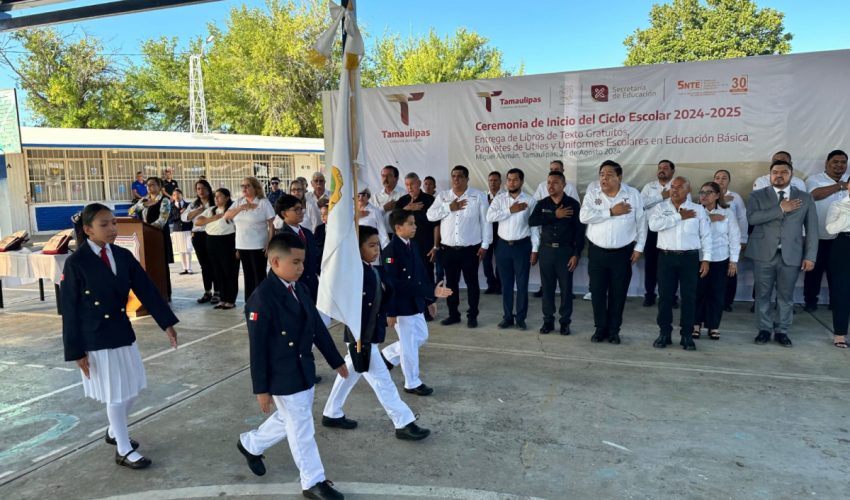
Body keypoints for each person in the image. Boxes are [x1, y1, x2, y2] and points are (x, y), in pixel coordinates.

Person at [62, 203, 179, 470]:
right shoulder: (76, 262)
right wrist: (76, 351)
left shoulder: (122, 255)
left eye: (113, 223)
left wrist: (167, 324)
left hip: (122, 331)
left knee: (134, 386)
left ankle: (115, 431)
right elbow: (69, 310)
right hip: (95, 336)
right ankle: (123, 449)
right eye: (104, 224)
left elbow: (147, 289)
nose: (112, 229)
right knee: (116, 393)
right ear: (88, 229)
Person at [236, 233, 347, 500]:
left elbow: (317, 327)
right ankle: (312, 481)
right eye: (296, 262)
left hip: (303, 369)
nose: (301, 268)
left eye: (303, 262)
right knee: (301, 427)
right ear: (275, 262)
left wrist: (336, 360)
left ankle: (250, 444)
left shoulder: (300, 288)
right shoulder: (262, 299)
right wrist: (261, 389)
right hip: (281, 374)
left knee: (291, 419)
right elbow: (258, 348)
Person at [321, 225, 432, 441]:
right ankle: (404, 422)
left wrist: (429, 292)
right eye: (371, 245)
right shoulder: (354, 275)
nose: (377, 250)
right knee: (383, 382)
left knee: (350, 372)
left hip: (369, 335)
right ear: (357, 248)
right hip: (361, 338)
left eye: (378, 245)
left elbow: (398, 287)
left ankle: (332, 412)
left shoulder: (373, 270)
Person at [746, 159, 818, 348]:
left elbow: (812, 230)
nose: (779, 175)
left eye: (784, 172)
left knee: (785, 295)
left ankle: (782, 331)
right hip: (763, 253)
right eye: (775, 172)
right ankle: (763, 329)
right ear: (769, 175)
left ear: (791, 175)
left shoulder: (805, 197)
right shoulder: (757, 196)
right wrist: (780, 209)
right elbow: (753, 219)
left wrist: (810, 256)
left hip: (791, 254)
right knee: (763, 294)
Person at [579, 160, 646, 344]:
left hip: (623, 253)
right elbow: (583, 217)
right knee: (598, 292)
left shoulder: (632, 194)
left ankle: (614, 330)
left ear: (619, 177)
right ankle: (600, 329)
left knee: (618, 293)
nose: (604, 178)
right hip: (597, 252)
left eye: (609, 174)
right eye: (601, 174)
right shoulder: (593, 194)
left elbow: (641, 222)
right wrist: (610, 212)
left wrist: (639, 247)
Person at [648, 177, 712, 350]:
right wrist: (678, 217)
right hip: (666, 258)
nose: (674, 190)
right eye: (672, 187)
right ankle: (664, 333)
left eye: (679, 187)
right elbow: (653, 225)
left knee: (689, 298)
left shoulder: (698, 209)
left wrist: (706, 259)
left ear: (688, 190)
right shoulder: (660, 207)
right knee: (665, 297)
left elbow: (706, 236)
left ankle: (686, 335)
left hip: (689, 258)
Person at [427, 165, 492, 328]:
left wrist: (485, 245)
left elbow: (486, 222)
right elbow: (430, 215)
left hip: (470, 250)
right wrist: (449, 207)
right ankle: (453, 314)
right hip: (448, 249)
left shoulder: (478, 196)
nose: (456, 179)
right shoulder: (443, 196)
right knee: (451, 284)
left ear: (467, 179)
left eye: (460, 176)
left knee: (472, 283)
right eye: (454, 176)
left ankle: (472, 316)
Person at [382, 212, 437, 396]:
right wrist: (390, 311)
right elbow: (390, 284)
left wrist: (429, 299)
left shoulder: (412, 244)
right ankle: (412, 382)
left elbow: (421, 273)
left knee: (421, 336)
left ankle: (388, 355)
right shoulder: (390, 251)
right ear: (398, 227)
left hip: (416, 301)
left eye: (414, 223)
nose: (415, 227)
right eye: (411, 224)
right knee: (409, 344)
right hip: (401, 306)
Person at [529, 170, 585, 335]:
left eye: (555, 182)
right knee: (547, 288)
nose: (550, 186)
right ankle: (548, 321)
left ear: (563, 185)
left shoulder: (573, 205)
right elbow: (532, 221)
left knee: (566, 289)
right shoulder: (542, 203)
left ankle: (565, 322)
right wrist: (554, 215)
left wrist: (576, 254)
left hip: (565, 252)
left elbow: (579, 232)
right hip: (546, 251)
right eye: (548, 183)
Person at [486, 168, 539, 330]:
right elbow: (489, 217)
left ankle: (521, 318)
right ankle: (507, 317)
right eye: (509, 179)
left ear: (521, 181)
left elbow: (535, 228)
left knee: (522, 285)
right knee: (506, 285)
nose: (511, 183)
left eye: (515, 180)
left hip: (522, 246)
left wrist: (535, 249)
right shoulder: (500, 199)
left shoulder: (530, 201)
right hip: (503, 246)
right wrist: (510, 210)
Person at [693, 181, 741, 341]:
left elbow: (734, 237)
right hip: (699, 258)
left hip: (720, 258)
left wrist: (733, 261)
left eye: (708, 192)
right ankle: (695, 324)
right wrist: (709, 218)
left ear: (717, 195)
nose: (704, 196)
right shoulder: (694, 211)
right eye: (702, 192)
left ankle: (713, 325)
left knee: (717, 294)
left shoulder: (727, 213)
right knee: (698, 292)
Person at [803, 150, 849, 311]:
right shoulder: (814, 179)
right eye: (835, 162)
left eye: (843, 162)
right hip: (818, 236)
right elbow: (813, 195)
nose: (839, 165)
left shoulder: (848, 179)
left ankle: (836, 303)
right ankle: (810, 302)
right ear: (826, 163)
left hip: (842, 238)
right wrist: (841, 186)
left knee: (838, 273)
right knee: (813, 272)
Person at [532, 160, 579, 298]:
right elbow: (535, 212)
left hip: (565, 237)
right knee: (547, 278)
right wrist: (552, 214)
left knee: (565, 275)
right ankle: (544, 291)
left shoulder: (570, 188)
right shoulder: (542, 186)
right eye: (552, 168)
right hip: (546, 234)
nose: (554, 171)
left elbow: (576, 212)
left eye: (557, 169)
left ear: (563, 170)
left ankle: (566, 299)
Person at [224, 176, 275, 302]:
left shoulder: (263, 202)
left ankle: (262, 302)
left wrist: (269, 244)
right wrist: (242, 207)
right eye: (242, 186)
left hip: (258, 245)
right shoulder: (239, 202)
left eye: (247, 186)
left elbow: (271, 225)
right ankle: (250, 302)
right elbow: (227, 216)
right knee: (248, 276)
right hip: (242, 245)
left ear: (255, 188)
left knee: (259, 275)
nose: (244, 188)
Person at [129, 177, 173, 300]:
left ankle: (165, 294)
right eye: (148, 185)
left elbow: (162, 220)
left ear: (160, 187)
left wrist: (146, 229)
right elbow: (131, 212)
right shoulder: (144, 200)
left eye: (153, 185)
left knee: (160, 265)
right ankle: (150, 294)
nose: (149, 187)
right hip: (145, 237)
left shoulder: (164, 201)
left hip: (158, 236)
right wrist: (143, 204)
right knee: (146, 265)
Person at [396, 172, 438, 301]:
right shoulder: (402, 201)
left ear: (419, 183)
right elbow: (394, 221)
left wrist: (436, 246)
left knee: (427, 274)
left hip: (425, 245)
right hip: (406, 247)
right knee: (408, 274)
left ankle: (430, 303)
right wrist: (407, 209)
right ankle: (413, 302)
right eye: (407, 185)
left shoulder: (430, 200)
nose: (409, 187)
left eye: (412, 184)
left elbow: (437, 225)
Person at [640, 160, 676, 308]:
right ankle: (650, 295)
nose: (662, 170)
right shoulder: (649, 186)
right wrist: (662, 196)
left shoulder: (677, 185)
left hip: (670, 231)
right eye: (660, 168)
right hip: (652, 231)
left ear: (673, 171)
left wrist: (668, 195)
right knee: (651, 265)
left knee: (670, 266)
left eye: (666, 168)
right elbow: (641, 203)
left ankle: (671, 297)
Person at [195, 188, 239, 310]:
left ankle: (230, 299)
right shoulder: (211, 210)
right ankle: (222, 298)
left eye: (219, 196)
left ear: (227, 197)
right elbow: (198, 222)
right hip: (212, 241)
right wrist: (213, 218)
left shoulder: (232, 211)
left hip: (228, 241)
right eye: (215, 196)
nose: (216, 198)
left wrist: (238, 248)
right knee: (217, 271)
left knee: (229, 271)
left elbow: (238, 228)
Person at [713, 169, 748, 311]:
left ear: (729, 181)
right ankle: (713, 300)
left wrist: (743, 238)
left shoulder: (735, 197)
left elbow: (742, 218)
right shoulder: (707, 195)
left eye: (724, 178)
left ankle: (727, 302)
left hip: (731, 240)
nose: (720, 181)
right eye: (717, 178)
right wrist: (719, 201)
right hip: (713, 241)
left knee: (730, 271)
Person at [275, 194, 320, 302]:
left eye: (301, 208)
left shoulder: (307, 233)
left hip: (312, 285)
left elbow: (315, 256)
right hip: (295, 286)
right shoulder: (282, 237)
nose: (301, 212)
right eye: (296, 209)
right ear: (284, 213)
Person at [182, 180, 219, 304]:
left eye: (203, 188)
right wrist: (197, 211)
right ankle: (207, 291)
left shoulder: (215, 202)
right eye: (198, 189)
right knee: (204, 265)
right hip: (198, 235)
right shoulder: (193, 204)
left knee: (214, 263)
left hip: (212, 234)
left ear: (208, 189)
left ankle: (217, 292)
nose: (201, 191)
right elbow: (185, 218)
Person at [825, 183, 850, 348]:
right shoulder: (838, 204)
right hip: (844, 244)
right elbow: (830, 229)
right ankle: (840, 333)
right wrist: (848, 213)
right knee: (842, 291)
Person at [483, 171, 503, 295]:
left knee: (500, 262)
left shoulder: (505, 197)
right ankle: (491, 284)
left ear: (500, 182)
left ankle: (499, 285)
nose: (493, 183)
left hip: (501, 234)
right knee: (486, 262)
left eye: (495, 180)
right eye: (490, 180)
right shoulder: (483, 197)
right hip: (486, 234)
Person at [374, 165, 407, 231]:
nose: (385, 179)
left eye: (389, 176)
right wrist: (384, 208)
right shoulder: (376, 196)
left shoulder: (404, 194)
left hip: (398, 234)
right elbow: (372, 215)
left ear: (396, 178)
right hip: (380, 235)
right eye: (383, 176)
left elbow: (407, 215)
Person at [170, 189, 194, 275]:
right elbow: (171, 219)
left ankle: (189, 268)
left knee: (188, 249)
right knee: (181, 250)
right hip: (177, 230)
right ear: (173, 196)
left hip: (187, 229)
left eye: (178, 194)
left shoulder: (188, 205)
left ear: (181, 195)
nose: (176, 196)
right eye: (174, 195)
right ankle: (184, 268)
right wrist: (179, 214)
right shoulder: (171, 206)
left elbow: (192, 217)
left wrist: (192, 229)